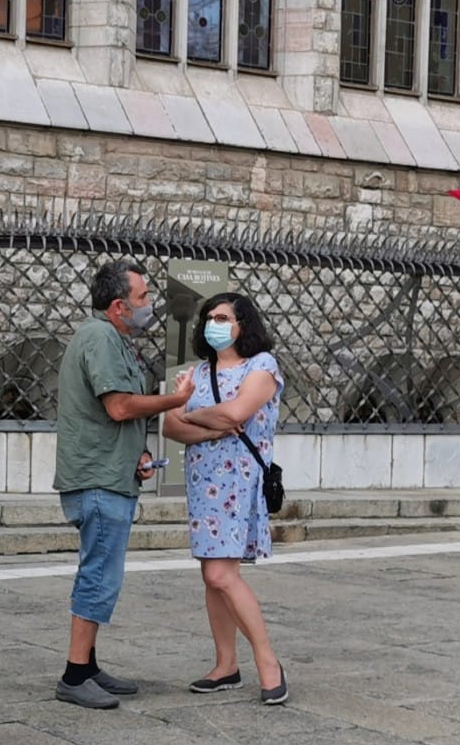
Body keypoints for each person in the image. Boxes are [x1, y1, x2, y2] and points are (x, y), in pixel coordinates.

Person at [52, 259, 195, 709]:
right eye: (143, 298)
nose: (150, 305)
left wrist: (141, 454)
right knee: (98, 575)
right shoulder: (99, 337)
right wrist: (177, 399)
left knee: (102, 573)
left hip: (109, 472)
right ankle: (75, 675)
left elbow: (112, 417)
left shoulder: (111, 338)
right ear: (118, 305)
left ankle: (88, 665)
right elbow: (118, 407)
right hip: (98, 479)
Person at [163, 293, 288, 703]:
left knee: (222, 574)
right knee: (210, 576)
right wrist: (211, 427)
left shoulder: (262, 366)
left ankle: (267, 661)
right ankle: (225, 664)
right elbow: (170, 427)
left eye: (223, 317)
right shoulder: (197, 371)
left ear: (243, 324)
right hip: (203, 482)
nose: (213, 324)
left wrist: (194, 415)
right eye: (209, 317)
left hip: (238, 482)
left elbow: (238, 414)